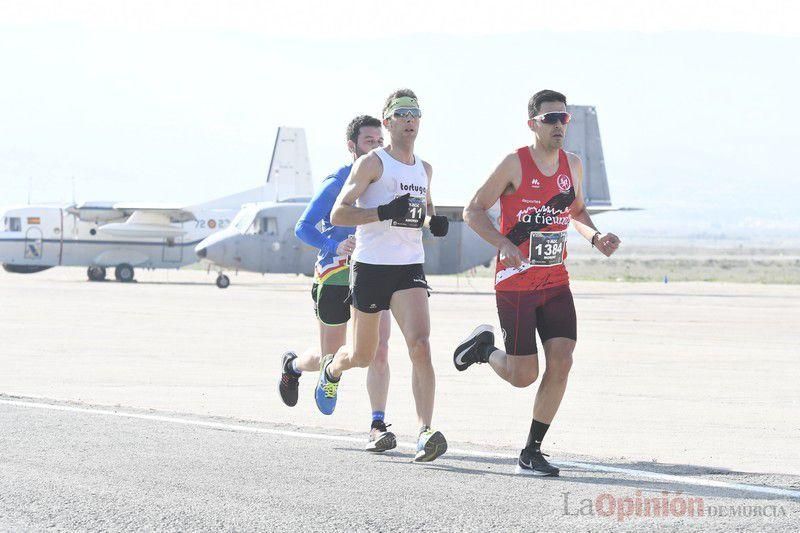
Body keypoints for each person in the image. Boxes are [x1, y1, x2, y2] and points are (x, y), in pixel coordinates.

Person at [455, 89, 621, 476]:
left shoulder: (573, 165)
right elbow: (472, 210)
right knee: (523, 375)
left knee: (562, 359)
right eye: (551, 119)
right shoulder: (514, 164)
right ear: (533, 123)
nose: (559, 124)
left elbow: (576, 210)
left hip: (555, 279)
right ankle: (483, 351)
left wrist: (596, 237)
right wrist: (501, 244)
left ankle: (532, 450)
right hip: (515, 283)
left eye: (564, 118)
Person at [316, 89, 450, 462]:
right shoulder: (372, 164)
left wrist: (433, 222)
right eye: (402, 113)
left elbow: (422, 213)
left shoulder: (424, 169)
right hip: (372, 265)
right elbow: (338, 215)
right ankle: (332, 367)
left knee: (420, 345)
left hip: (409, 266)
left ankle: (425, 431)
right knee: (362, 354)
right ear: (388, 121)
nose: (410, 119)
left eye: (415, 113)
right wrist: (381, 212)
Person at [280, 115, 396, 452]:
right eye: (368, 141)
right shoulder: (338, 181)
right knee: (331, 355)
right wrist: (334, 245)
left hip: (374, 272)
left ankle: (377, 424)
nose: (376, 145)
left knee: (379, 349)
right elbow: (304, 227)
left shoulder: (390, 178)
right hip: (335, 276)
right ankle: (293, 366)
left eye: (379, 140)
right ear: (352, 146)